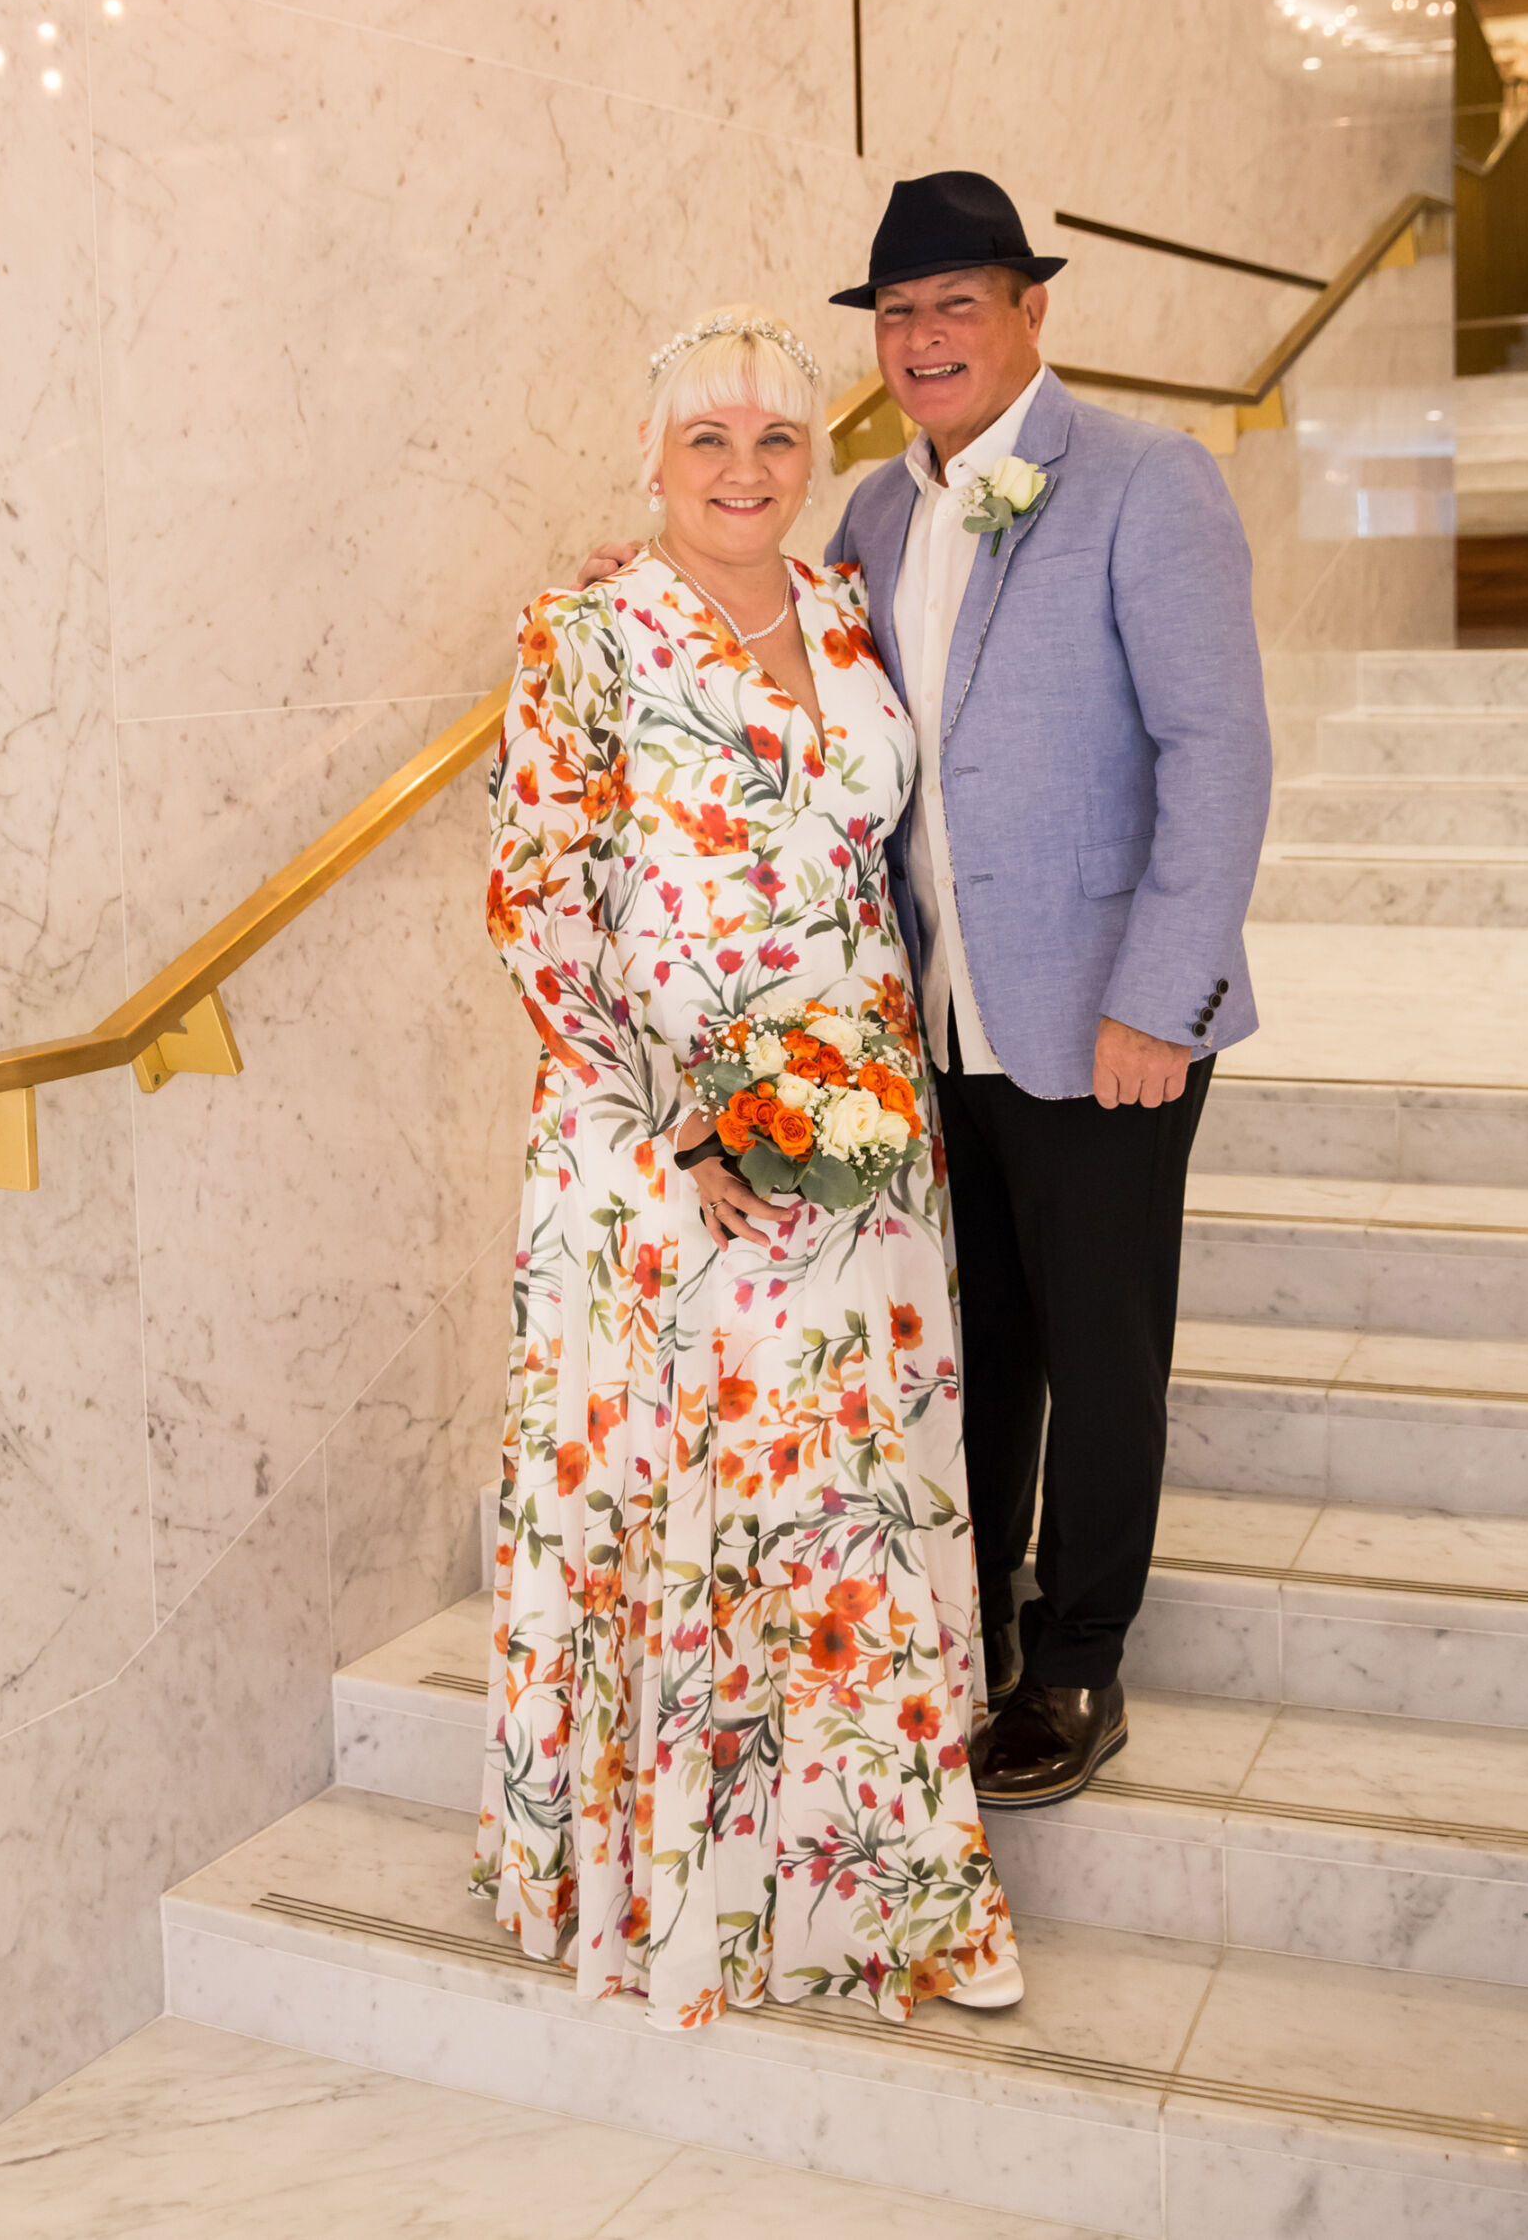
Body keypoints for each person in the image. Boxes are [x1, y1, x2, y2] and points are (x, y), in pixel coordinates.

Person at [579, 174, 1272, 1810]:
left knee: (1104, 1351)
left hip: (1108, 1014)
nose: (924, 337)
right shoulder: (874, 516)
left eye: (958, 303)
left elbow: (1219, 751)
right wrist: (663, 589)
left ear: (1032, 311)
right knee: (987, 1345)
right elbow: (806, 686)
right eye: (898, 315)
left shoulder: (1149, 481)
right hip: (925, 1023)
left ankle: (1083, 1662)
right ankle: (983, 1628)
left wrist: (1159, 1000)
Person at [475, 306, 1020, 2030]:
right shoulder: (583, 634)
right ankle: (687, 1894)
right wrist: (683, 1113)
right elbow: (537, 906)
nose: (744, 469)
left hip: (862, 1135)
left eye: (778, 440)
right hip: (670, 1154)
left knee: (853, 1492)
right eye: (708, 439)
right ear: (652, 459)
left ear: (812, 462)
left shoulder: (844, 610)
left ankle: (879, 1885)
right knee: (707, 1504)